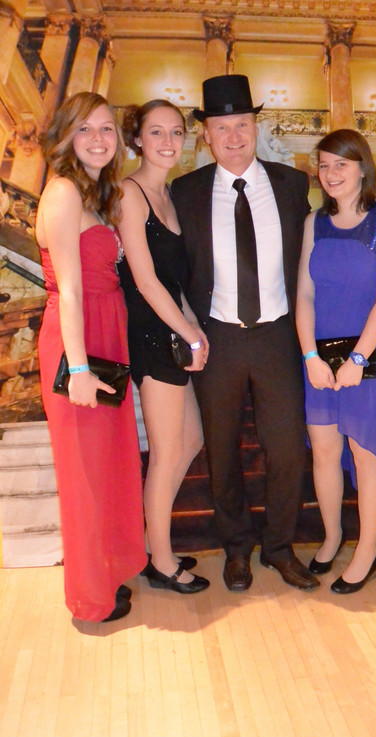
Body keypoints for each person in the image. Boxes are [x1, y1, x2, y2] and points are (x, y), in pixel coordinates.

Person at [171, 74, 318, 591]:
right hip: (218, 337)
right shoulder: (185, 191)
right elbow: (175, 269)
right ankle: (236, 547)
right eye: (221, 127)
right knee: (222, 449)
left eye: (242, 124)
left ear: (256, 127)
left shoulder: (291, 184)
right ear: (206, 135)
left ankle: (279, 547)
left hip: (278, 336)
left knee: (287, 449)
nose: (233, 136)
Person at [36, 92, 147, 622]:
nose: (98, 139)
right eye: (85, 129)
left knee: (106, 465)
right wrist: (78, 368)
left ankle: (107, 571)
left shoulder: (96, 193)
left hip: (104, 333)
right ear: (66, 136)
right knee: (82, 473)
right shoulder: (62, 191)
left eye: (106, 128)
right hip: (77, 340)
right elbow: (69, 291)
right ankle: (88, 598)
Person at [296, 129, 376, 594]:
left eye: (341, 164)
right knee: (323, 450)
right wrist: (309, 355)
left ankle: (366, 551)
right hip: (320, 355)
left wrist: (358, 357)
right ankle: (332, 537)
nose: (331, 173)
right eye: (324, 165)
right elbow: (304, 294)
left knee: (366, 454)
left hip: (371, 352)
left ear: (363, 167)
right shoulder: (314, 222)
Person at [117, 99, 210, 594]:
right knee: (167, 451)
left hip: (172, 329)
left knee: (189, 442)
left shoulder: (169, 194)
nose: (169, 141)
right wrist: (188, 333)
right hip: (152, 336)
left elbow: (175, 283)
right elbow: (146, 280)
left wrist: (194, 326)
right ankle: (162, 561)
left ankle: (152, 542)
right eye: (156, 132)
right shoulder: (129, 193)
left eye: (176, 132)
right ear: (137, 139)